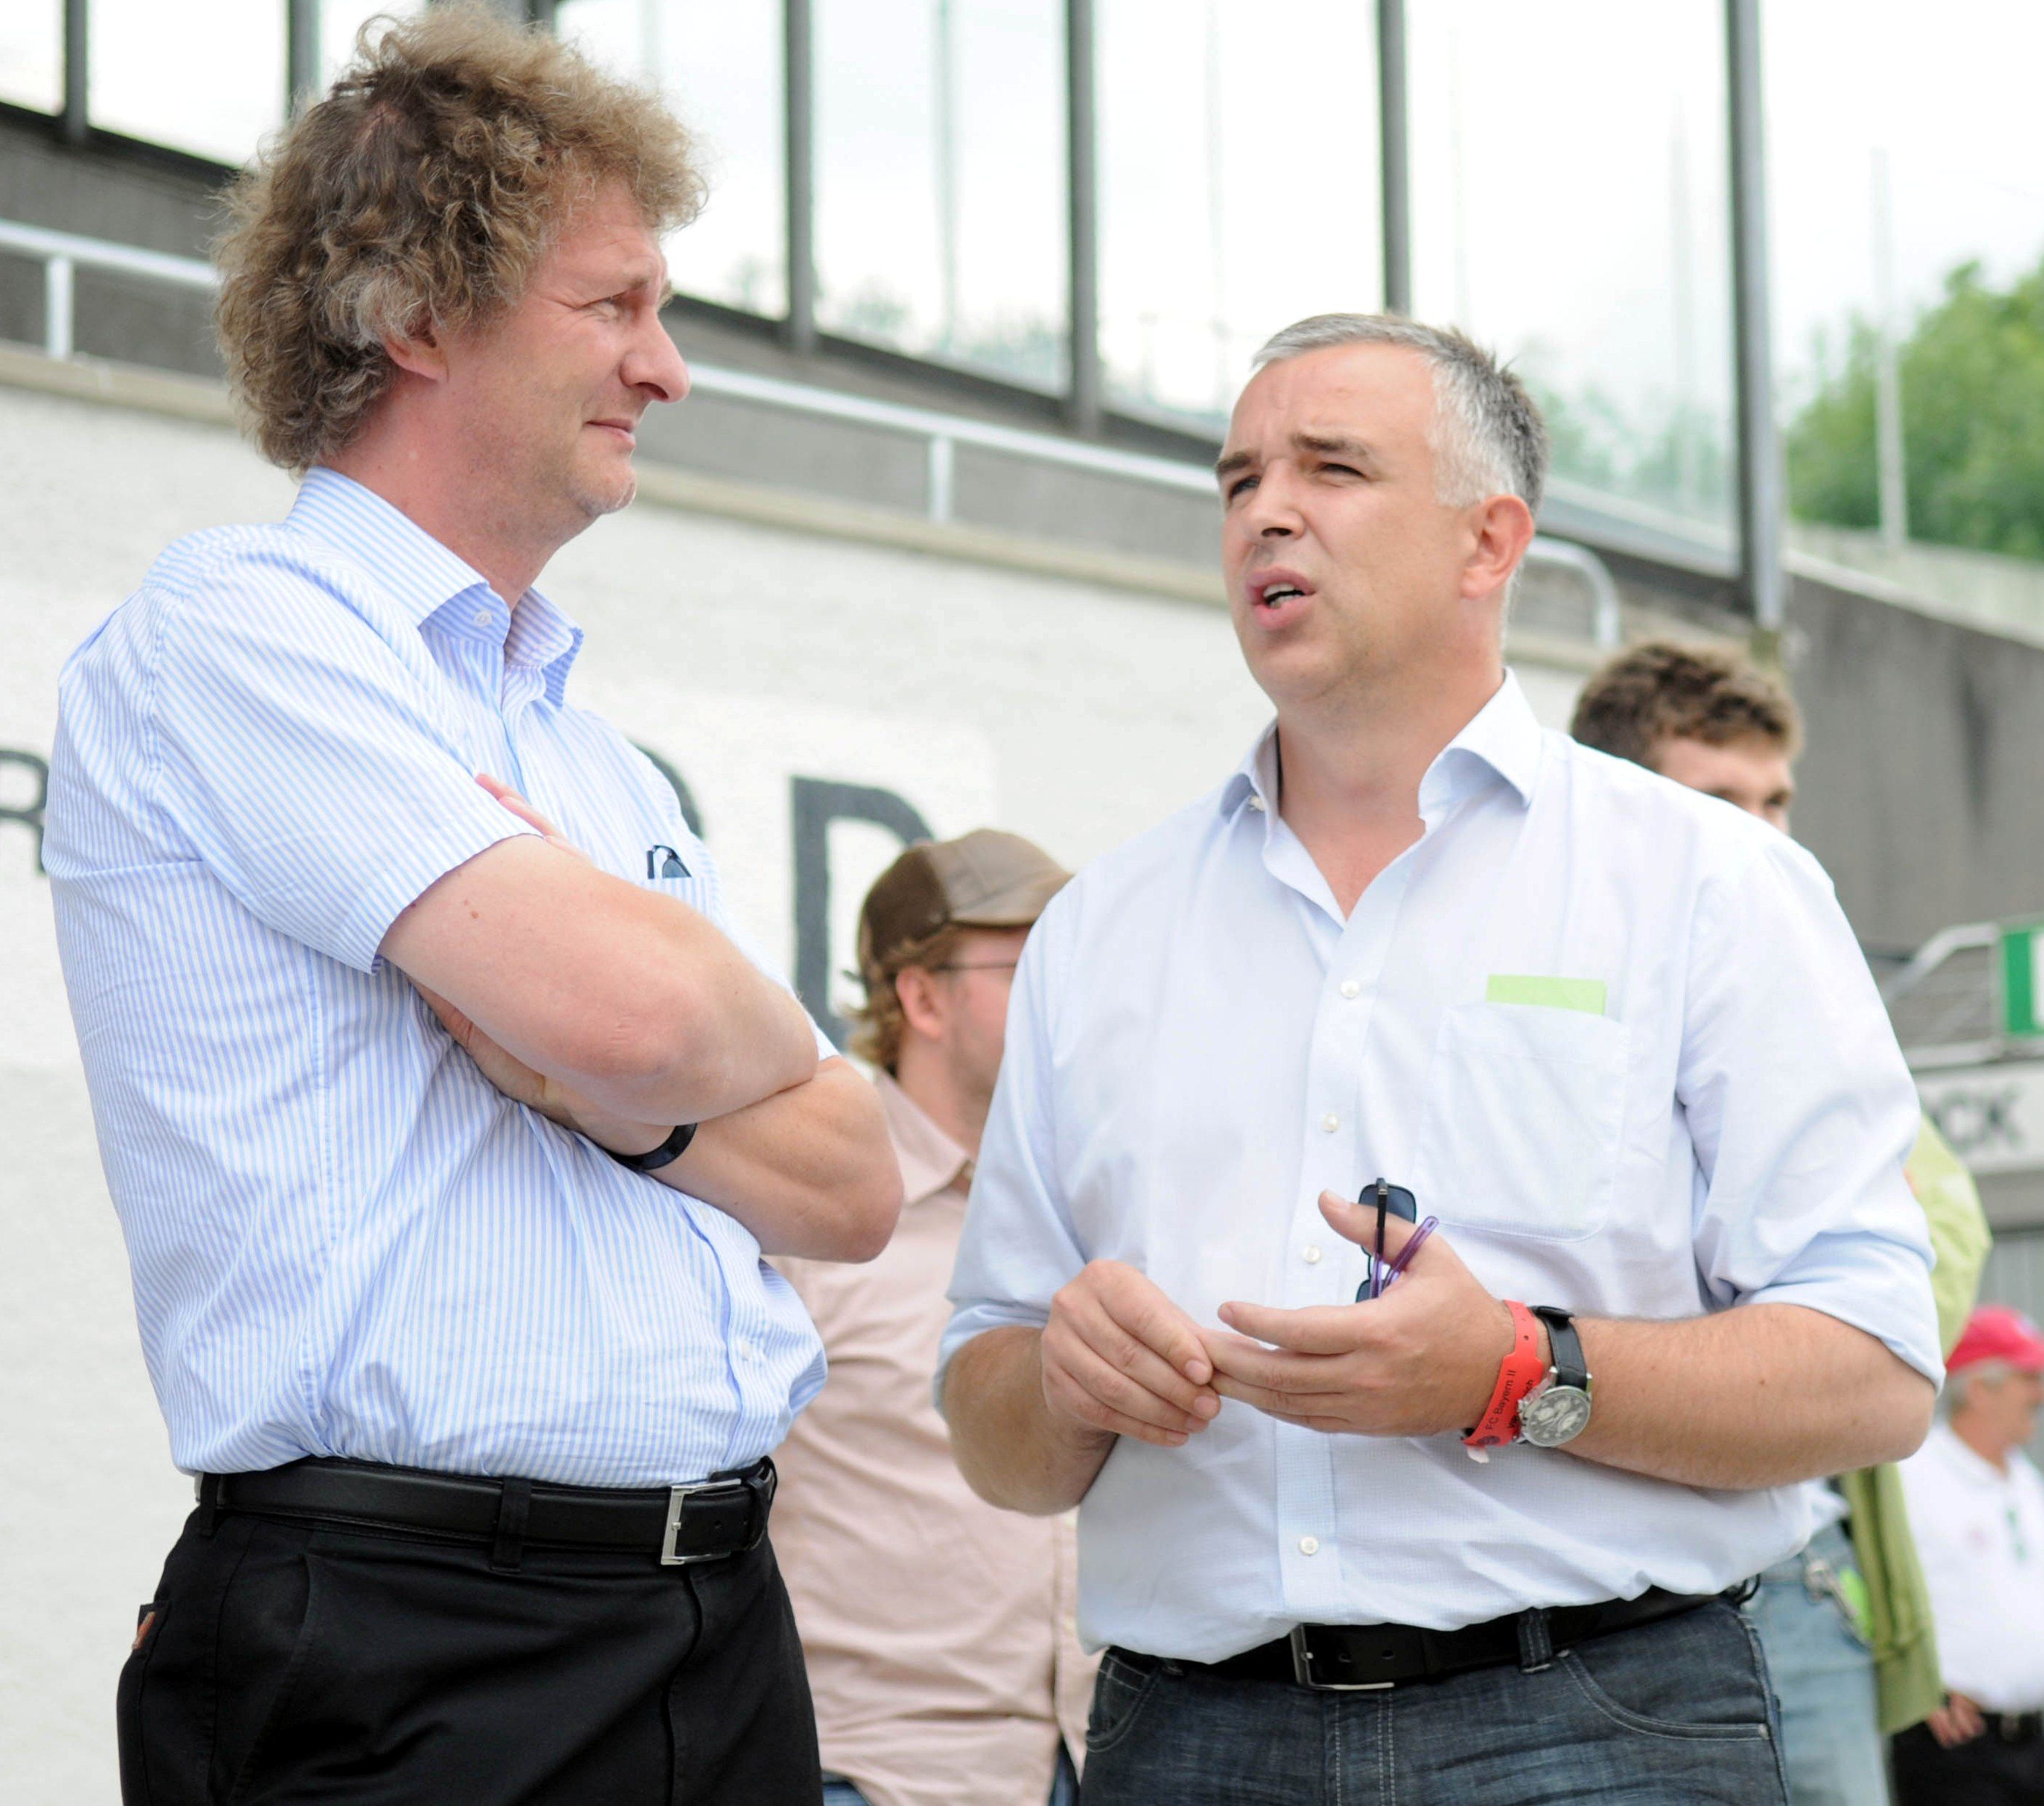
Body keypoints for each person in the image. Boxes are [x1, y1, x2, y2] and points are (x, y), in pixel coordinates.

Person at [45, 12, 899, 1802]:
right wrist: (655, 1031)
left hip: (719, 1623)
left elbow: (852, 1181)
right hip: (415, 1647)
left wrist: (621, 1082)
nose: (664, 369)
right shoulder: (241, 629)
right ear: (414, 316)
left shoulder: (592, 764)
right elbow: (653, 1018)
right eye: (616, 306)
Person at [937, 313, 1944, 1806]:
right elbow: (995, 1429)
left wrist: (1518, 1368)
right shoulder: (1098, 930)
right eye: (1237, 480)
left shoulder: (1707, 883)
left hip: (1600, 1724)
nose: (1265, 509)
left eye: (1331, 466)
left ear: (1492, 541)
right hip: (1186, 1737)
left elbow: (1873, 1371)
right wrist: (1066, 1379)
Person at [1571, 640, 1994, 1805]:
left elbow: (1930, 1263)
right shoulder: (1552, 993)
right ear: (1618, 796)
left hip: (1802, 1578)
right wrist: (1767, 1299)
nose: (1764, 836)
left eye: (1775, 802)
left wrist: (1787, 1312)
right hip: (1586, 1591)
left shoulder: (1812, 994)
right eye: (1720, 802)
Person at [769, 831, 1092, 1806]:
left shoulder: (1096, 1207)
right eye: (1032, 962)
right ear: (921, 997)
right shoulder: (799, 1215)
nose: (1070, 992)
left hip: (1102, 1760)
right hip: (879, 1775)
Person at [1894, 1306, 2044, 1805]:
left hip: (2033, 1744)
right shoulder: (1914, 1477)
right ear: (1981, 1388)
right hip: (1957, 1745)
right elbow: (1873, 1591)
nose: (2039, 1393)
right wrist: (1916, 1685)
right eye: (2028, 1378)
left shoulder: (2025, 1479)